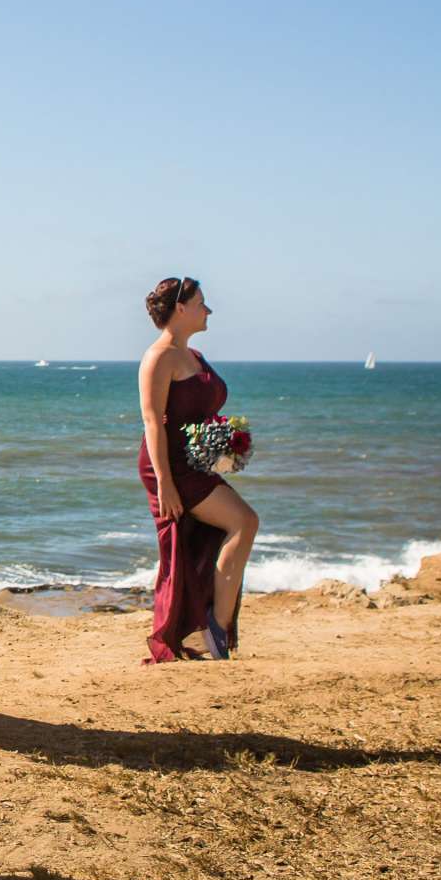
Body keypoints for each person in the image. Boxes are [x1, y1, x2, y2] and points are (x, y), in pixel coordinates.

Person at [138, 276, 258, 661]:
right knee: (244, 522)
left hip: (192, 465)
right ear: (181, 308)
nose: (208, 310)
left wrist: (225, 445)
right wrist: (165, 485)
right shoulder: (159, 357)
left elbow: (199, 415)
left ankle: (208, 630)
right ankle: (214, 631)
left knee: (216, 535)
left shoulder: (195, 356)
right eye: (202, 302)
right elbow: (154, 422)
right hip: (168, 467)